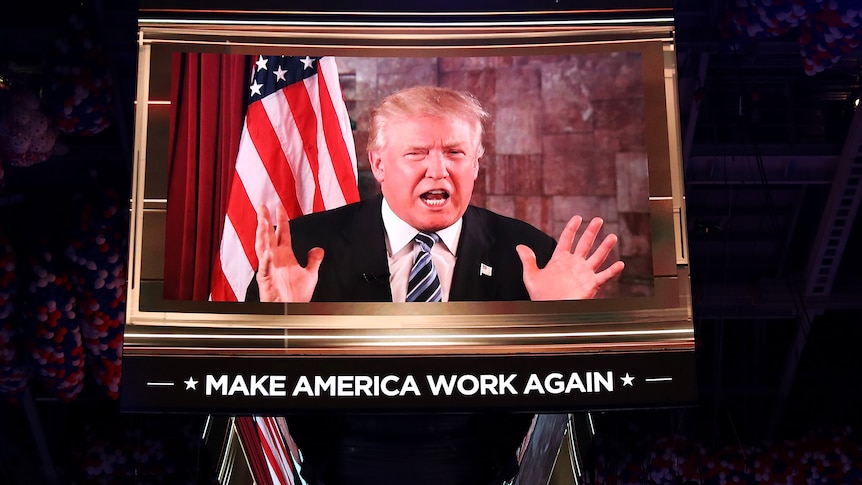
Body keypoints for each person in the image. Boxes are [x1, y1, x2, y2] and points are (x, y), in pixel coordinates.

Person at [250, 86, 625, 485]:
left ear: (477, 164)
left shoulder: (529, 254)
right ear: (378, 164)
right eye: (417, 153)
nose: (438, 170)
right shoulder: (306, 248)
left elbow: (569, 396)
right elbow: (249, 387)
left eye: (455, 152)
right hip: (342, 472)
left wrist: (561, 327)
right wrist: (278, 324)